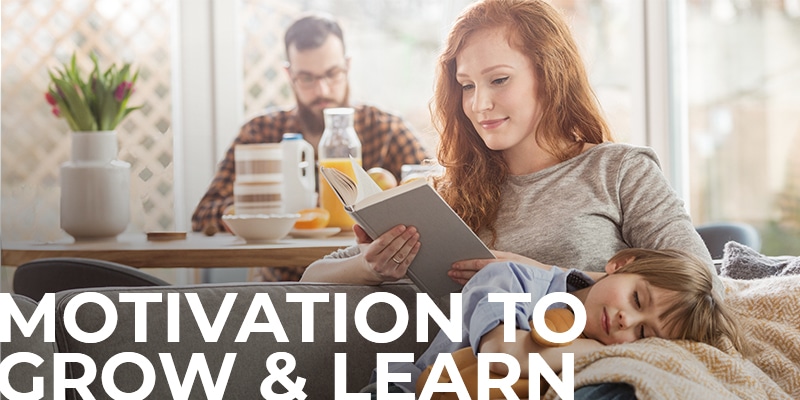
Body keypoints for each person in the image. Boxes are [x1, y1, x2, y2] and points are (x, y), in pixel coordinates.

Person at [301, 0, 716, 397]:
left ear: (549, 74)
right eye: (467, 86)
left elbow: (704, 285)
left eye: (499, 80)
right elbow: (313, 277)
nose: (479, 104)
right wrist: (372, 266)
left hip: (586, 381)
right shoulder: (447, 195)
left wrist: (541, 272)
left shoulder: (619, 170)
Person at [191, 13, 429, 280]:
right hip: (281, 287)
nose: (322, 89)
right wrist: (276, 209)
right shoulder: (262, 133)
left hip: (369, 288)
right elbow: (204, 214)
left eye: (332, 74)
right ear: (289, 74)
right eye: (307, 78)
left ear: (347, 66)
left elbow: (434, 194)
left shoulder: (385, 130)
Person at [404, 248, 746, 396]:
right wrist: (592, 349)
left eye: (643, 333)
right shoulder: (511, 279)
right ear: (622, 263)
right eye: (637, 299)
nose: (627, 320)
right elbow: (501, 354)